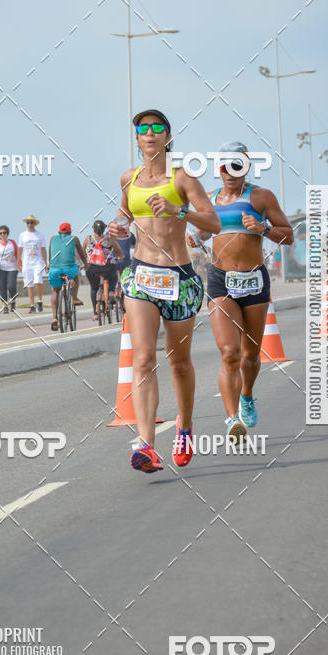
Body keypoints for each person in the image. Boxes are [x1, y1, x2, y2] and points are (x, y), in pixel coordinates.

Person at [108, 108, 221, 474]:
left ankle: (184, 427)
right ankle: (146, 445)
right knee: (143, 359)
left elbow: (213, 223)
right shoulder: (129, 178)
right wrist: (117, 226)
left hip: (179, 278)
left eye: (157, 127)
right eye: (143, 128)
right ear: (137, 138)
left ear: (168, 137)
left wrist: (178, 210)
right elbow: (125, 213)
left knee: (178, 361)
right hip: (140, 275)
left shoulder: (183, 178)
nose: (150, 133)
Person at [190, 141, 293, 442]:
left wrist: (263, 229)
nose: (231, 172)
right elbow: (204, 232)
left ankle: (246, 395)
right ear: (219, 168)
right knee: (230, 352)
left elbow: (288, 236)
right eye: (225, 166)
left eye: (238, 165)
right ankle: (232, 418)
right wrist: (195, 238)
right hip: (220, 280)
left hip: (254, 280)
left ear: (247, 166)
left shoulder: (261, 197)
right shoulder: (210, 200)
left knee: (250, 355)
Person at [47, 223, 88, 331]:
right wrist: (86, 264)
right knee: (76, 275)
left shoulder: (52, 239)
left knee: (55, 290)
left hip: (54, 270)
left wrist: (50, 265)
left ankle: (54, 317)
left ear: (59, 232)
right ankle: (74, 298)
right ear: (70, 232)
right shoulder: (74, 239)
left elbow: (50, 255)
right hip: (69, 270)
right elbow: (81, 254)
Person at [83, 220, 123, 318]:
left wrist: (85, 264)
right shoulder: (109, 239)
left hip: (92, 269)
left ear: (93, 228)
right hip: (107, 267)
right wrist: (119, 258)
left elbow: (83, 255)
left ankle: (95, 313)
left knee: (94, 289)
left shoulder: (88, 239)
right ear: (104, 228)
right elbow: (120, 254)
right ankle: (111, 292)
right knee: (113, 277)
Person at [18, 215, 47, 314]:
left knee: (38, 281)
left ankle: (40, 301)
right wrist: (18, 262)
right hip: (27, 263)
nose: (30, 224)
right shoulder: (22, 235)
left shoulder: (40, 235)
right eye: (28, 222)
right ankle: (32, 305)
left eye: (31, 222)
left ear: (35, 223)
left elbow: (43, 249)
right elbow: (20, 249)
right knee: (29, 284)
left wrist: (46, 263)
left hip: (38, 262)